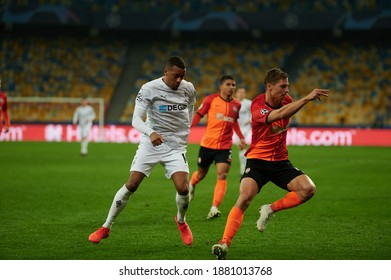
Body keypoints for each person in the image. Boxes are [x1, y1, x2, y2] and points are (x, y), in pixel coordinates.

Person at [212, 68, 329, 259]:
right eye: (283, 86)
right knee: (245, 197)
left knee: (308, 189)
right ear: (269, 86)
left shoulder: (288, 100)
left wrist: (300, 101)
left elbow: (285, 110)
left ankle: (270, 209)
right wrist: (306, 99)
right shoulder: (258, 104)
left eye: (288, 86)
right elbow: (277, 115)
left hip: (281, 161)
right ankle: (224, 243)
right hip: (258, 161)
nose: (286, 90)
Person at [88, 56, 197, 246]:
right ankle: (106, 227)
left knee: (184, 188)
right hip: (151, 143)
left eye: (182, 76)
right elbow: (136, 119)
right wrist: (151, 132)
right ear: (166, 72)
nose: (179, 80)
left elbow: (190, 109)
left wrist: (183, 132)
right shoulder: (149, 88)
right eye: (175, 76)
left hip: (175, 146)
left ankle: (181, 221)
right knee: (132, 184)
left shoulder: (188, 88)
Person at [189, 75, 246, 220]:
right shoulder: (210, 99)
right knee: (201, 174)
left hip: (225, 146)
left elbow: (234, 122)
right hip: (207, 144)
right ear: (221, 86)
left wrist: (241, 137)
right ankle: (192, 183)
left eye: (233, 85)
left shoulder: (236, 105)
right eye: (228, 84)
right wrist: (188, 128)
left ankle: (214, 208)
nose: (231, 87)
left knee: (222, 175)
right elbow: (199, 114)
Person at [234, 87, 252, 175]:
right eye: (240, 92)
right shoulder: (233, 102)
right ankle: (244, 164)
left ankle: (243, 166)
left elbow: (254, 113)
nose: (241, 94)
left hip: (246, 128)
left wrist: (250, 120)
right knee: (240, 147)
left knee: (242, 146)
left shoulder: (248, 103)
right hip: (236, 128)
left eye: (243, 92)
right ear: (236, 93)